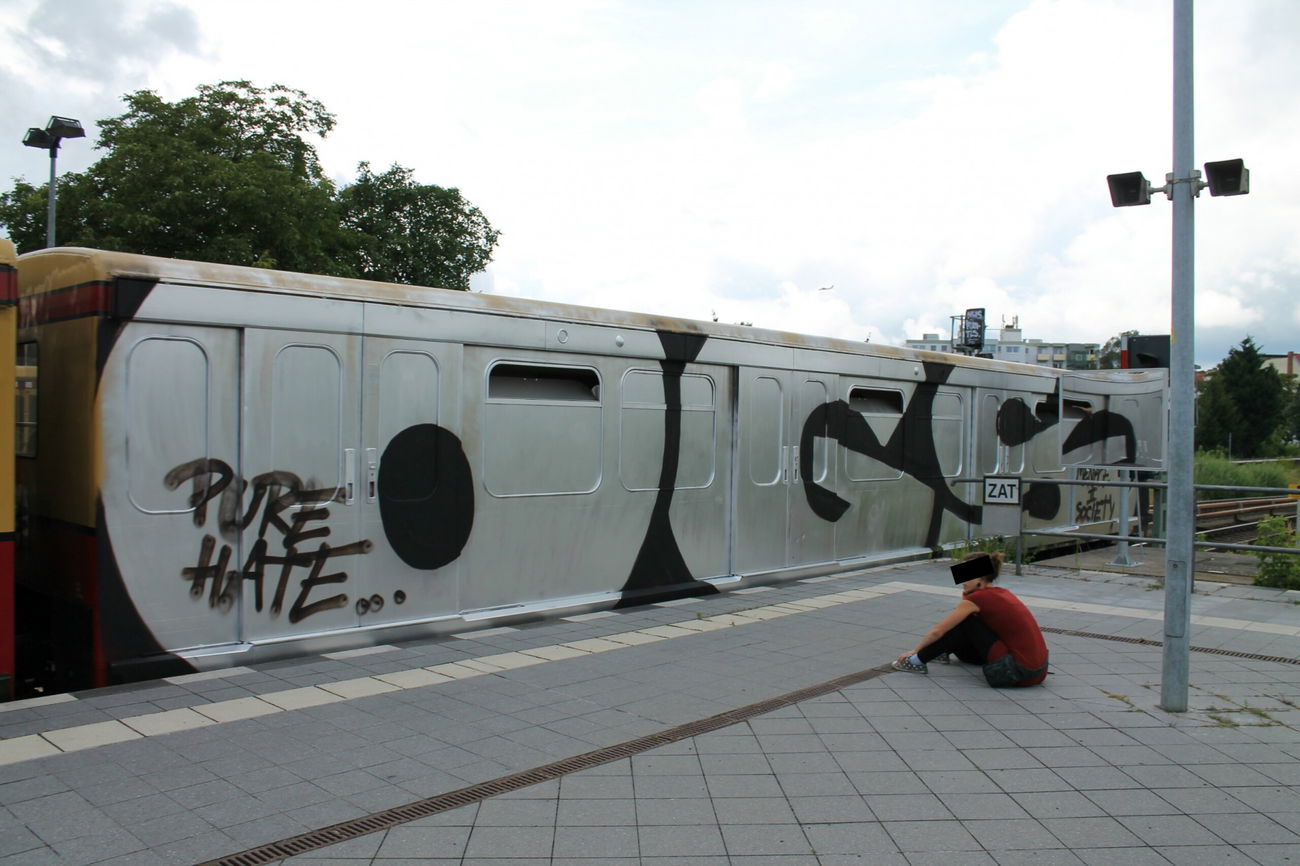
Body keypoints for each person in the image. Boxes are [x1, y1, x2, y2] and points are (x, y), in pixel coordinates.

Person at [892, 552, 1048, 687]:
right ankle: (940, 651)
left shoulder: (978, 599)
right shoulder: (1000, 593)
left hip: (1017, 672)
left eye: (966, 576)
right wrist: (967, 594)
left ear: (980, 578)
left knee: (967, 623)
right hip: (1038, 671)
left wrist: (916, 651)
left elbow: (938, 631)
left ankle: (917, 661)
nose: (962, 581)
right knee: (969, 622)